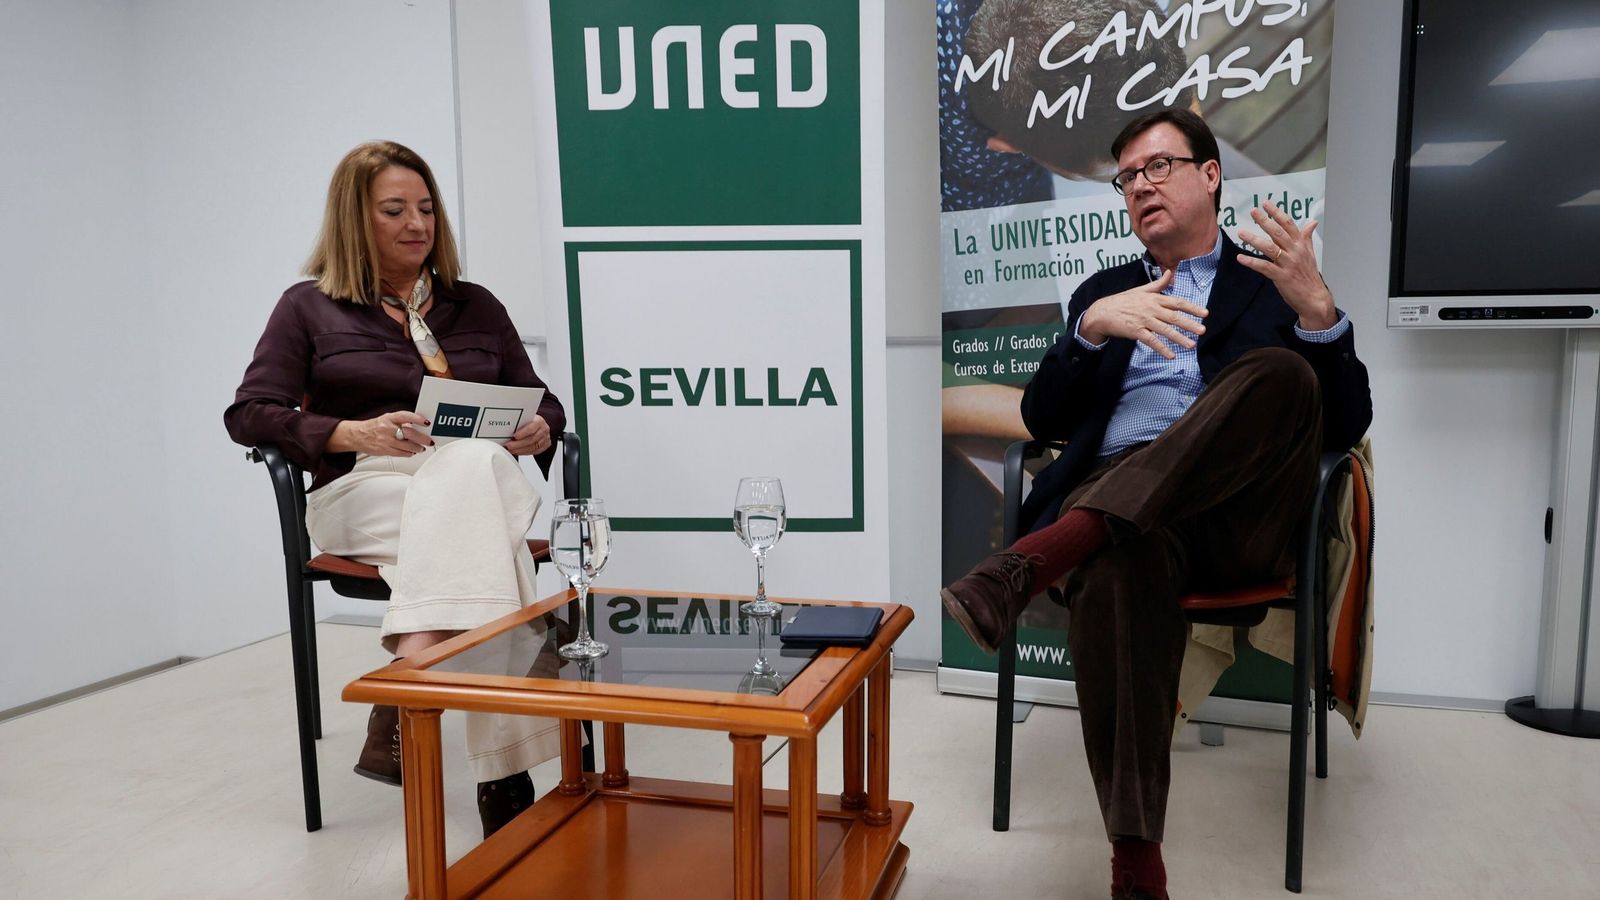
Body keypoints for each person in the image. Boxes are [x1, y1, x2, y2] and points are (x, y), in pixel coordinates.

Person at [940, 108, 1372, 900]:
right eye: (1128, 177)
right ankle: (1137, 865)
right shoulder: (1104, 290)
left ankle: (1032, 561)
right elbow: (1041, 420)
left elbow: (1343, 427)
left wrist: (1317, 315)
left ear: (1210, 174)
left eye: (1159, 167)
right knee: (1114, 568)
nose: (1141, 186)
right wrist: (1093, 331)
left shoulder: (1269, 282)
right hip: (1127, 510)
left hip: (1234, 518)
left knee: (1282, 377)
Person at [224, 141, 567, 839]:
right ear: (355, 218)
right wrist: (357, 434)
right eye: (394, 210)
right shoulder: (307, 308)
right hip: (366, 489)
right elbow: (250, 413)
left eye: (426, 207)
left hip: (467, 484)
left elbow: (544, 404)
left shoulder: (476, 306)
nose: (417, 223)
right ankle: (503, 771)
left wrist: (539, 430)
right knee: (487, 531)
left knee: (472, 468)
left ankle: (408, 673)